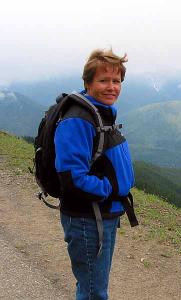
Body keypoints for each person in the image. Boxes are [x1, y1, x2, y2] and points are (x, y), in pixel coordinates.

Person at [54, 49, 135, 300]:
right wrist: (108, 188)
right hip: (87, 220)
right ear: (88, 83)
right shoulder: (78, 120)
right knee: (93, 293)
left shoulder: (99, 113)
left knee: (93, 288)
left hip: (104, 214)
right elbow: (72, 178)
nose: (111, 87)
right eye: (103, 80)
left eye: (116, 81)